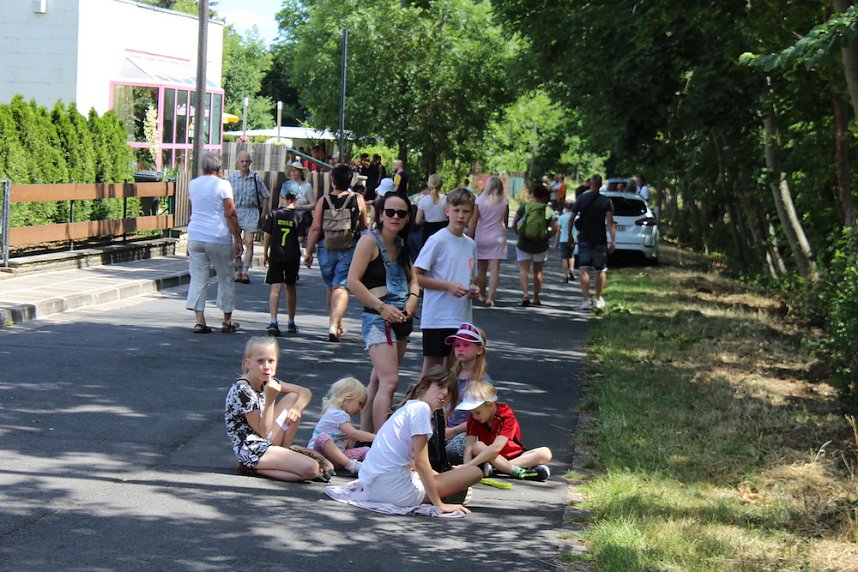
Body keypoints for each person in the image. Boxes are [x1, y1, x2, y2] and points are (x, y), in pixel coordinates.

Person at [327, 366, 483, 512]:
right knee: (474, 472)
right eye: (440, 386)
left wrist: (441, 477)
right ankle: (441, 496)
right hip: (393, 492)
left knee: (448, 478)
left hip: (373, 486)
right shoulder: (421, 409)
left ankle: (445, 491)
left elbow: (414, 462)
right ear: (425, 386)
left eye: (449, 391)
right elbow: (421, 463)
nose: (444, 393)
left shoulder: (409, 407)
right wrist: (439, 505)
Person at [347, 192, 420, 432]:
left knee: (378, 379)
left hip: (402, 319)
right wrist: (381, 307)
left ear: (407, 218)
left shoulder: (402, 244)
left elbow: (414, 281)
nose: (395, 217)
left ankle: (364, 435)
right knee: (390, 381)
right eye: (390, 212)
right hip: (378, 320)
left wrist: (412, 299)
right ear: (380, 214)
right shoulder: (369, 242)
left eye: (401, 213)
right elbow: (352, 282)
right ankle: (383, 441)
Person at [224, 337, 324, 481]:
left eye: (271, 361)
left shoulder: (266, 381)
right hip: (251, 448)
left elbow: (305, 392)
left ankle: (285, 451)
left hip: (267, 441)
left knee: (293, 397)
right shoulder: (243, 390)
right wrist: (270, 399)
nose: (266, 366)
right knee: (312, 469)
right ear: (248, 363)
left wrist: (296, 409)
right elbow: (263, 432)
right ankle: (253, 467)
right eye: (260, 361)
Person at [414, 188, 479, 378]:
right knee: (432, 369)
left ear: (472, 213)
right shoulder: (437, 240)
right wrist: (447, 286)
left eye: (466, 211)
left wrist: (474, 289)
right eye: (456, 210)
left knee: (455, 369)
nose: (461, 215)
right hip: (437, 316)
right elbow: (416, 276)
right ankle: (420, 398)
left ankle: (448, 399)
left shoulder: (471, 244)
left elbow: (470, 278)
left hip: (461, 317)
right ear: (447, 211)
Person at [303, 164, 368, 342]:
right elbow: (364, 224)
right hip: (349, 247)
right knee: (340, 286)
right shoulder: (358, 199)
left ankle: (334, 323)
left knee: (331, 286)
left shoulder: (323, 201)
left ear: (333, 181)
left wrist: (308, 252)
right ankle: (334, 324)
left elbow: (315, 228)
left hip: (326, 247)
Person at [185, 151, 243, 334]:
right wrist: (237, 238)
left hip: (196, 235)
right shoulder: (223, 185)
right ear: (219, 166)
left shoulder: (193, 184)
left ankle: (199, 321)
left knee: (198, 277)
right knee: (225, 277)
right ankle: (227, 320)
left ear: (203, 166)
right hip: (218, 236)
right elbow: (230, 213)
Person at [458, 379, 552, 481]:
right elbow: (469, 446)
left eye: (477, 412)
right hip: (489, 457)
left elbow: (496, 447)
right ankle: (516, 471)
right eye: (471, 412)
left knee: (545, 453)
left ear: (491, 405)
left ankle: (496, 469)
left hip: (514, 455)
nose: (474, 416)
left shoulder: (505, 415)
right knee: (477, 446)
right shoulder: (473, 418)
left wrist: (470, 465)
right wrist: (466, 468)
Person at [443, 323, 491, 465]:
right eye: (457, 345)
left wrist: (453, 431)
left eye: (466, 345)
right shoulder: (449, 376)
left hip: (469, 433)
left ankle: (482, 461)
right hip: (446, 429)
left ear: (479, 350)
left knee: (454, 450)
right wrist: (442, 426)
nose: (460, 349)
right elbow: (442, 404)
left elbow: (482, 417)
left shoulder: (483, 381)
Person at [307, 377, 376, 475]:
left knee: (366, 450)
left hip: (336, 458)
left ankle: (371, 467)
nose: (360, 409)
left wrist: (351, 451)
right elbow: (354, 434)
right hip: (318, 456)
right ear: (348, 397)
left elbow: (347, 441)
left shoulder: (342, 415)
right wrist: (377, 437)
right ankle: (351, 465)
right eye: (360, 404)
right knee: (323, 438)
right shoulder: (336, 413)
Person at [262, 188, 304, 336]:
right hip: (292, 256)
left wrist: (265, 253)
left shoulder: (274, 214)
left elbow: (267, 236)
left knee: (275, 287)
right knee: (290, 286)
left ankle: (273, 321)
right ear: (297, 198)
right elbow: (300, 239)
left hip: (276, 255)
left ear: (282, 196)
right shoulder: (298, 216)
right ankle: (291, 321)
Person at [570, 174, 615, 310]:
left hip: (584, 238)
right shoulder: (606, 201)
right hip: (600, 239)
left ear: (590, 184)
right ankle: (598, 299)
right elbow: (610, 221)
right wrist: (613, 240)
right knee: (600, 270)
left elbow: (572, 218)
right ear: (601, 185)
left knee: (584, 268)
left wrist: (570, 235)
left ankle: (586, 300)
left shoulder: (581, 199)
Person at [227, 151, 270, 284]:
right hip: (236, 212)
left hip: (251, 211)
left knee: (249, 241)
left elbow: (266, 196)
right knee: (235, 242)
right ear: (238, 163)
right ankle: (237, 269)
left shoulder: (256, 178)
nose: (244, 164)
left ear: (250, 162)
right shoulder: (231, 179)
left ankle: (245, 271)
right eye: (242, 161)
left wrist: (263, 213)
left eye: (247, 161)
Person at [512, 182, 556, 306]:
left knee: (524, 270)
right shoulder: (548, 210)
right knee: (538, 271)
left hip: (524, 243)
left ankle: (525, 295)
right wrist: (547, 236)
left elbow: (514, 223)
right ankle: (536, 297)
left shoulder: (525, 207)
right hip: (541, 245)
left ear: (533, 194)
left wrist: (519, 233)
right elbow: (555, 228)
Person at [470, 175, 508, 307]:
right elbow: (505, 222)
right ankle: (490, 298)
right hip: (497, 236)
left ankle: (481, 294)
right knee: (495, 269)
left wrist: (469, 236)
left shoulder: (479, 200)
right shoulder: (504, 201)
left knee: (481, 269)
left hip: (482, 236)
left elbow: (474, 220)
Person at [415, 173, 448, 244]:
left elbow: (418, 221)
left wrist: (425, 221)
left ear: (428, 185)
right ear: (441, 185)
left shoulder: (423, 201)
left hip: (428, 230)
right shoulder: (446, 200)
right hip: (444, 229)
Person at [555, 202, 575, 282]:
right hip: (573, 239)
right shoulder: (576, 217)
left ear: (565, 208)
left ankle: (566, 276)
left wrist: (556, 242)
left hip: (563, 239)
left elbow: (558, 231)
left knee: (564, 258)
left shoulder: (561, 217)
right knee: (571, 256)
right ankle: (571, 271)